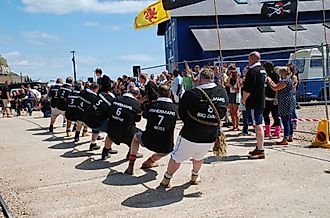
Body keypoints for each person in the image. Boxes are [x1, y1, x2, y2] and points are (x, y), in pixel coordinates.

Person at [160, 69, 228, 188]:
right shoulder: (222, 91)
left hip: (190, 133)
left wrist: (192, 122)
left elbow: (182, 113)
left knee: (176, 157)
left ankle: (167, 178)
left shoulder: (191, 93)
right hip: (211, 134)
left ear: (200, 79)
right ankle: (195, 176)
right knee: (199, 156)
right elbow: (223, 111)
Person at [125, 85, 178, 175]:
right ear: (170, 94)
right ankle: (150, 161)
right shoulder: (175, 108)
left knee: (135, 137)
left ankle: (131, 164)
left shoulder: (150, 106)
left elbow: (144, 116)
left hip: (148, 140)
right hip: (165, 145)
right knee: (168, 150)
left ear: (157, 94)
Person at [102, 87, 143, 160]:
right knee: (137, 135)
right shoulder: (136, 104)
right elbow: (137, 119)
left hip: (112, 130)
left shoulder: (116, 99)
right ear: (137, 95)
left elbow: (109, 111)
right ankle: (131, 154)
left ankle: (105, 152)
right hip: (126, 133)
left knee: (110, 134)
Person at [242, 51, 267, 159]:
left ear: (252, 59)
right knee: (258, 124)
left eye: (249, 59)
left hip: (253, 102)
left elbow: (248, 89)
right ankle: (258, 147)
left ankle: (261, 150)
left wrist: (243, 100)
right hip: (260, 100)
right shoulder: (262, 70)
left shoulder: (252, 71)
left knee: (257, 125)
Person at [267, 67, 295, 145]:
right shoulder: (289, 80)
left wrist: (269, 82)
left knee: (285, 121)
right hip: (288, 102)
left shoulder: (285, 81)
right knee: (289, 120)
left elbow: (275, 88)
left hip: (285, 103)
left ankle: (285, 139)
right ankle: (290, 136)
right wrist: (272, 82)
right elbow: (276, 86)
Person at [263, 62, 281, 137]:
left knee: (275, 115)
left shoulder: (275, 75)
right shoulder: (265, 75)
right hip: (266, 98)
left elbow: (277, 87)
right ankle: (267, 130)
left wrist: (276, 98)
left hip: (274, 98)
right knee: (265, 114)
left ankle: (277, 131)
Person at [225, 66, 241, 131]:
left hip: (235, 95)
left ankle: (237, 125)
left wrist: (231, 86)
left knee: (235, 112)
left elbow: (238, 90)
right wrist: (229, 78)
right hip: (230, 95)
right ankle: (233, 125)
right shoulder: (230, 79)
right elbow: (226, 84)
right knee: (231, 112)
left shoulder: (237, 80)